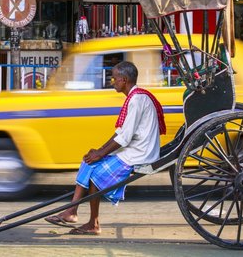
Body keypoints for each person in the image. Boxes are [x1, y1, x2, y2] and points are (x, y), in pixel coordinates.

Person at [45, 61, 166, 235]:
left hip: (139, 153)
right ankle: (71, 211)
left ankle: (93, 224)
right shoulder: (135, 97)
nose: (112, 81)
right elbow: (120, 132)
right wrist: (98, 152)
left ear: (124, 80)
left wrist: (101, 153)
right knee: (88, 161)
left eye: (114, 78)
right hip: (133, 148)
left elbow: (124, 137)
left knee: (95, 175)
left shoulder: (137, 100)